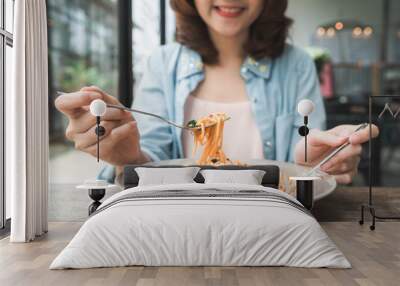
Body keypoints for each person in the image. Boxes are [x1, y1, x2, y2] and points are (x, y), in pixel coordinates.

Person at [55, 0, 378, 184]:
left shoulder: (297, 64)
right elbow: (149, 158)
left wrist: (319, 159)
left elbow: (305, 144)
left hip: (272, 223)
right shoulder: (163, 63)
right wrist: (125, 156)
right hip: (179, 222)